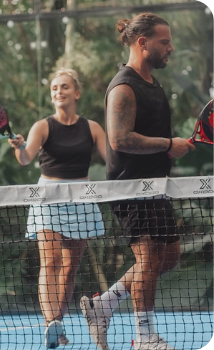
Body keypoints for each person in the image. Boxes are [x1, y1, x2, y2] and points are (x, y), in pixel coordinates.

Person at [79, 12, 193, 350]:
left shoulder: (153, 85)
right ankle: (144, 338)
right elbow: (119, 139)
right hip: (130, 188)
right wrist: (170, 145)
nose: (171, 47)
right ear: (142, 43)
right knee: (147, 260)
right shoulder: (124, 87)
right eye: (164, 41)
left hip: (156, 187)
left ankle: (103, 305)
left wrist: (168, 152)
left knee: (168, 257)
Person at [7, 68, 108, 349]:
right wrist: (18, 146)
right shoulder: (42, 126)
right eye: (54, 88)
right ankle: (51, 322)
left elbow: (113, 161)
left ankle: (58, 325)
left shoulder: (93, 128)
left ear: (76, 92)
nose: (58, 92)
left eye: (64, 87)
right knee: (50, 261)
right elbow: (26, 158)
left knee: (70, 267)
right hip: (48, 198)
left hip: (81, 197)